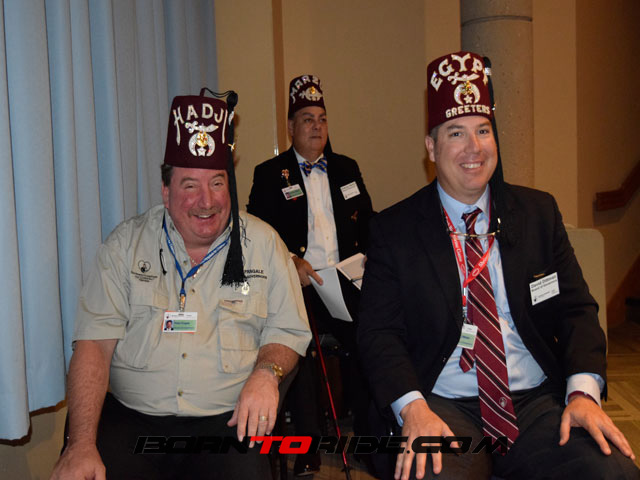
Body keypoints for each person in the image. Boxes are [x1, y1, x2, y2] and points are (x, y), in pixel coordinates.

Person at [357, 51, 639, 480]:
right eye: (456, 133)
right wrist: (413, 408)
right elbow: (379, 333)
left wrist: (582, 394)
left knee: (612, 472)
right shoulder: (394, 230)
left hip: (534, 402)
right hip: (441, 402)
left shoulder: (538, 214)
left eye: (483, 130)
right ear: (431, 148)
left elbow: (577, 310)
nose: (474, 147)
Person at [50, 90, 311, 480]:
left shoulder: (264, 244)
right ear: (166, 191)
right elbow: (94, 346)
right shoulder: (125, 246)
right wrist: (80, 444)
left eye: (217, 183)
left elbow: (287, 330)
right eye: (190, 186)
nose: (207, 201)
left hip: (225, 422)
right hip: (131, 420)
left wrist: (266, 373)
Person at [247, 74, 374, 476]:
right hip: (299, 284)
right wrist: (289, 260)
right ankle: (308, 447)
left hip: (345, 281)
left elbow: (369, 223)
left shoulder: (346, 168)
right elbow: (257, 233)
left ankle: (369, 436)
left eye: (322, 119)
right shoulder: (271, 173)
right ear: (291, 127)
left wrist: (370, 258)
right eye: (307, 119)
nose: (317, 127)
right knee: (297, 347)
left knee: (375, 339)